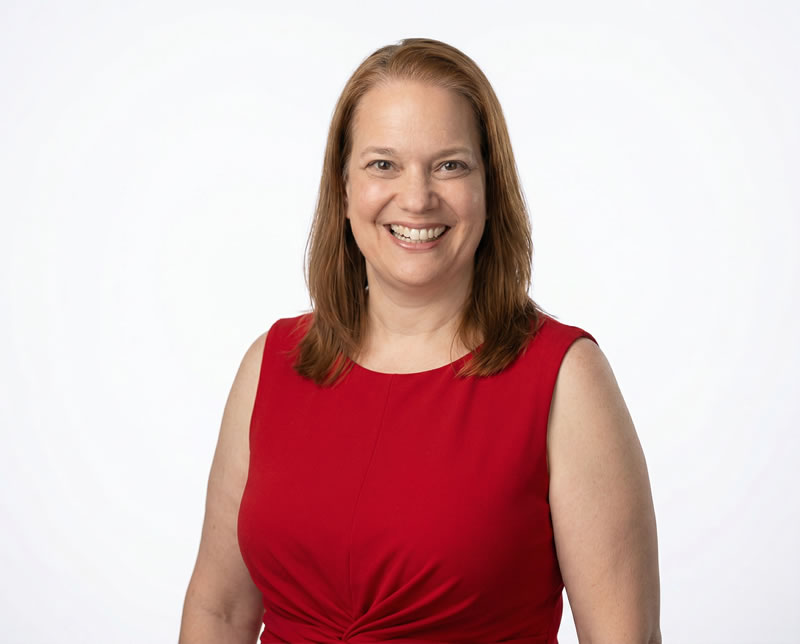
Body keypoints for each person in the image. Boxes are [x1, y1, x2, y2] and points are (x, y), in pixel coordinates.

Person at [179, 38, 661, 644]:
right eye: (384, 164)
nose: (416, 197)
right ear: (344, 187)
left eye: (450, 165)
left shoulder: (565, 378)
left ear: (490, 188)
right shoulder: (270, 364)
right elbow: (219, 610)